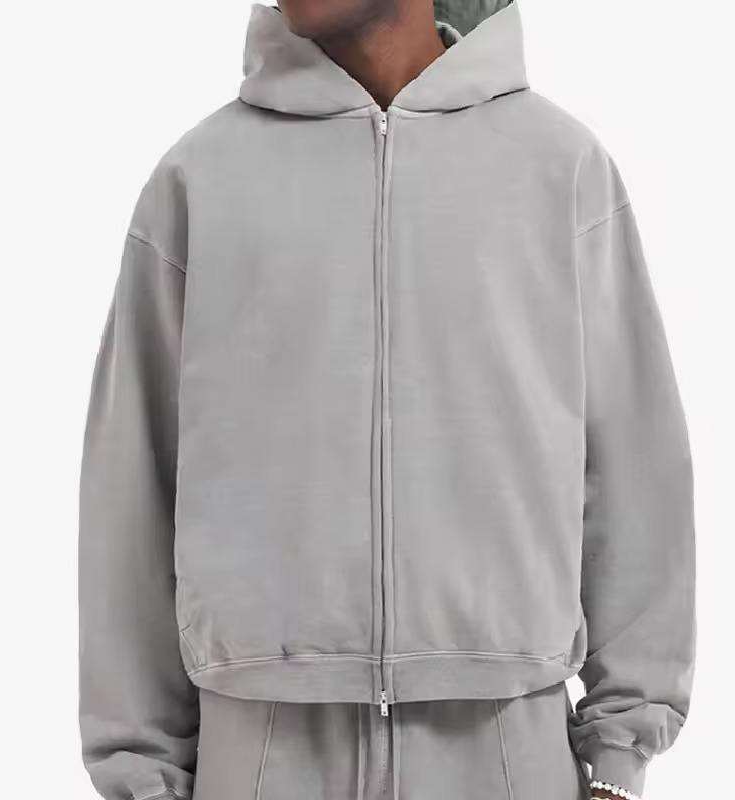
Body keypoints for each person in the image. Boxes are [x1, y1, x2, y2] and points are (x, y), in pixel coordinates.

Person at [78, 2, 695, 798]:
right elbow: (132, 481)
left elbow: (635, 461)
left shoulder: (558, 167)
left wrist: (618, 760)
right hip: (260, 755)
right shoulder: (201, 178)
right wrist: (142, 775)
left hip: (506, 754)